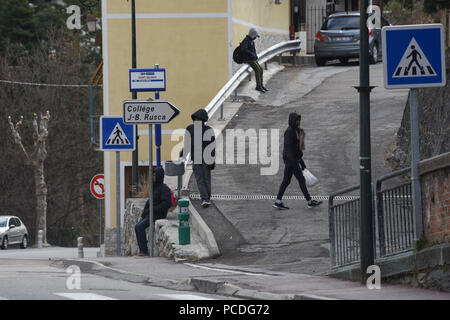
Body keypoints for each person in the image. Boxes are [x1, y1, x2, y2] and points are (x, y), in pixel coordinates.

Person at [273, 113, 322, 210]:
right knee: (301, 180)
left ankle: (278, 201)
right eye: (296, 120)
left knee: (286, 181)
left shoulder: (295, 131)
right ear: (292, 121)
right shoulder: (289, 132)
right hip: (291, 161)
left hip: (291, 160)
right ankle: (309, 202)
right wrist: (295, 162)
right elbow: (289, 149)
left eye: (299, 120)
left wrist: (301, 162)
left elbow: (296, 149)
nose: (298, 122)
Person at [180, 109, 216, 207]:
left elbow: (187, 145)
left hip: (201, 158)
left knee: (202, 179)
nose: (196, 120)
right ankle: (206, 198)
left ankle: (205, 199)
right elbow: (212, 146)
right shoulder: (206, 129)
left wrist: (182, 155)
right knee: (204, 179)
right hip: (202, 158)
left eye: (197, 119)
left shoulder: (193, 129)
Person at [135, 167, 172, 256]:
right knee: (138, 227)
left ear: (159, 176)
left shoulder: (164, 189)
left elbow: (166, 204)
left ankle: (144, 251)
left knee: (139, 227)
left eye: (155, 175)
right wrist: (145, 212)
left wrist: (153, 209)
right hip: (150, 214)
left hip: (157, 215)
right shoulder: (154, 187)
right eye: (153, 175)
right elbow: (150, 202)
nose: (153, 177)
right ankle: (142, 249)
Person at [240, 28, 268, 93]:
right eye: (255, 36)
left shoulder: (251, 41)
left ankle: (261, 85)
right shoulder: (246, 41)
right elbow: (244, 50)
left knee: (261, 69)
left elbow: (253, 50)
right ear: (252, 35)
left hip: (251, 58)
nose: (255, 37)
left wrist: (255, 56)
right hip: (247, 59)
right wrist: (252, 54)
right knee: (257, 69)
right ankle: (258, 86)